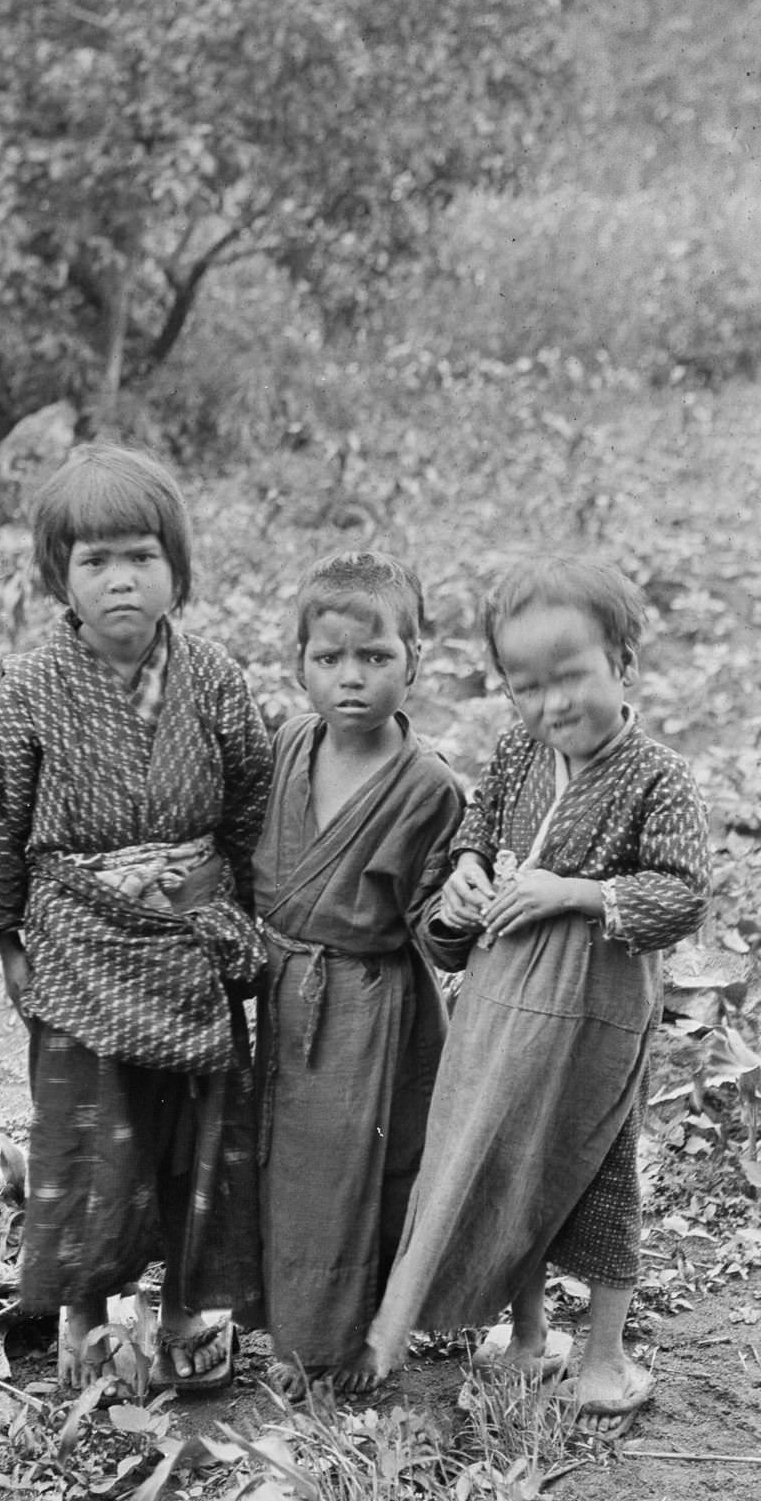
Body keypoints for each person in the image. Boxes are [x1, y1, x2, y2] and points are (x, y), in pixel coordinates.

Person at [0, 442, 272, 1394]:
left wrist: (233, 913)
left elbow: (252, 800)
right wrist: (10, 944)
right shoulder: (33, 687)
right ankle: (83, 1318)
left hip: (190, 941)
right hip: (77, 946)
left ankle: (183, 1311)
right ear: (60, 575)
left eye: (141, 555)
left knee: (194, 1138)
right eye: (96, 560)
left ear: (177, 566)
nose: (122, 579)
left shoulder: (213, 679)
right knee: (86, 1136)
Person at [364, 555, 711, 1436]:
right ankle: (526, 1334)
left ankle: (602, 1356)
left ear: (624, 664)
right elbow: (475, 830)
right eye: (526, 686)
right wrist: (471, 875)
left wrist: (576, 893)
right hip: (502, 1004)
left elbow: (680, 894)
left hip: (594, 1012)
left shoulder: (657, 776)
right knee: (504, 1159)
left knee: (596, 1172)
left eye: (571, 677)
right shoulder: (521, 751)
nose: (552, 705)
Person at [253, 551, 465, 1400]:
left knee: (353, 1173)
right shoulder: (288, 744)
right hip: (283, 988)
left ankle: (351, 1340)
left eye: (375, 658)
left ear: (417, 661)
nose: (352, 679)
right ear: (298, 662)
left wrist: (465, 903)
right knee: (284, 1169)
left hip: (372, 1006)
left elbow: (437, 925)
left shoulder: (429, 787)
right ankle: (290, 1327)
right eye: (329, 658)